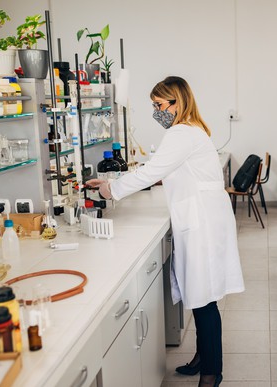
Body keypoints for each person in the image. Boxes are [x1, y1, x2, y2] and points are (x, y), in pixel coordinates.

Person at [87, 76, 244, 387]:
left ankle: (213, 372)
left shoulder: (182, 133)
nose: (157, 111)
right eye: (154, 106)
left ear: (177, 102)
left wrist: (110, 190)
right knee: (199, 294)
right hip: (201, 215)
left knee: (205, 297)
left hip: (203, 221)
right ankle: (203, 359)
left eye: (159, 105)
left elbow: (153, 170)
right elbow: (163, 169)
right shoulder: (188, 131)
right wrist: (116, 183)